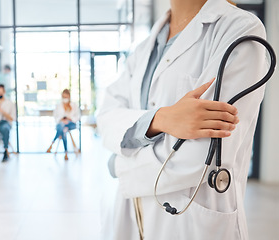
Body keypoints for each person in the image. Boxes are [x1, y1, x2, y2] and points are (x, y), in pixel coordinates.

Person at [97, 0, 268, 239]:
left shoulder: (239, 29)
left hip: (190, 221)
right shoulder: (145, 47)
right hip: (133, 213)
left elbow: (203, 156)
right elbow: (106, 116)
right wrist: (160, 119)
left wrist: (118, 164)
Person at [46, 89, 80, 160]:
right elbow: (55, 116)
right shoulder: (58, 105)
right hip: (62, 123)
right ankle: (66, 153)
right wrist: (62, 119)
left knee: (62, 126)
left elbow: (78, 116)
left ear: (69, 97)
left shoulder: (73, 105)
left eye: (66, 97)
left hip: (71, 124)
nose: (65, 99)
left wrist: (69, 119)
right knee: (64, 129)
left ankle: (52, 144)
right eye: (64, 97)